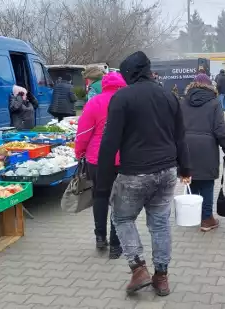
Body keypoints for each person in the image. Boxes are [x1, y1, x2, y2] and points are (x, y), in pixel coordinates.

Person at [97, 51, 191, 297]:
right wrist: (186, 168)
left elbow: (109, 143)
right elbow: (181, 136)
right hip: (167, 171)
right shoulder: (169, 97)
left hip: (135, 173)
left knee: (122, 218)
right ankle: (161, 277)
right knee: (160, 223)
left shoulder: (122, 97)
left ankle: (138, 269)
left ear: (131, 74)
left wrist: (103, 182)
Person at [75, 72, 126, 258]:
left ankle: (100, 237)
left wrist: (79, 152)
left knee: (100, 196)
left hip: (97, 159)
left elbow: (84, 131)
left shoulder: (94, 102)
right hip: (123, 160)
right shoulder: (127, 100)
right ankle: (115, 244)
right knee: (118, 201)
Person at [181, 73, 225, 231]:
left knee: (191, 180)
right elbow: (220, 128)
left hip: (186, 147)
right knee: (207, 183)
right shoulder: (214, 102)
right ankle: (206, 219)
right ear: (210, 85)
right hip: (207, 147)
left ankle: (193, 215)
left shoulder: (183, 102)